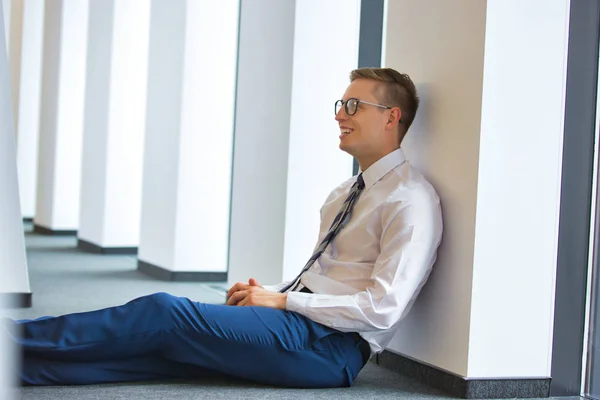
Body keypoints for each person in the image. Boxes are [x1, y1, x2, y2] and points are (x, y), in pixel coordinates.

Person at [7, 67, 442, 388]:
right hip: (304, 329)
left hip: (330, 348)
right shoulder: (344, 192)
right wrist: (269, 292)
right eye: (340, 105)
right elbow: (326, 280)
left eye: (353, 106)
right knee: (160, 353)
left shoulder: (411, 200)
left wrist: (281, 301)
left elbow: (383, 307)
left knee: (164, 311)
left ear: (391, 117)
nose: (339, 115)